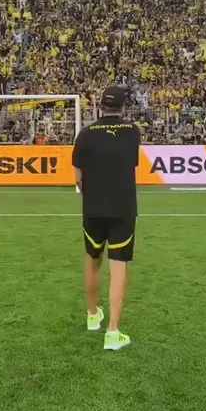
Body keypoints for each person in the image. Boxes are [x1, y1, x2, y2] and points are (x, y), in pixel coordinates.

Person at [72, 86, 140, 350]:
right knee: (118, 265)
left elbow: (78, 177)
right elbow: (130, 162)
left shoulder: (86, 134)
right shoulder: (132, 131)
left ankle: (92, 315)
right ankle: (112, 331)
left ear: (100, 106)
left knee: (92, 258)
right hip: (122, 208)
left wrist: (91, 194)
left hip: (94, 208)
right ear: (123, 107)